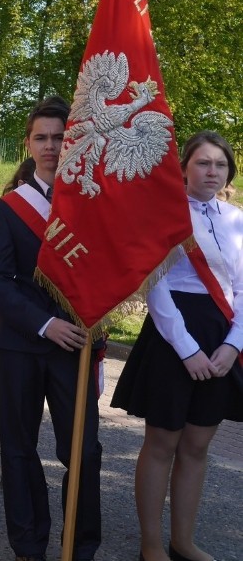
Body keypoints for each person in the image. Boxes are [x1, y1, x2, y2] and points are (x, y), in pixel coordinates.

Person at [111, 131, 243, 561]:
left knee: (197, 446)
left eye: (220, 165)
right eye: (203, 163)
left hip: (222, 338)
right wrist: (186, 348)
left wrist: (232, 346)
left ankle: (183, 540)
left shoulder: (237, 218)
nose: (212, 171)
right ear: (184, 168)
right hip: (172, 338)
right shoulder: (165, 215)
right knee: (162, 442)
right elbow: (156, 286)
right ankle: (152, 543)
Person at [0, 96, 102, 561]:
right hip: (20, 345)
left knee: (84, 452)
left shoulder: (94, 202)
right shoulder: (10, 207)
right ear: (28, 144)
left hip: (78, 343)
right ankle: (28, 544)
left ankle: (80, 543)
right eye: (42, 137)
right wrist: (45, 323)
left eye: (60, 137)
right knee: (18, 449)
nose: (52, 145)